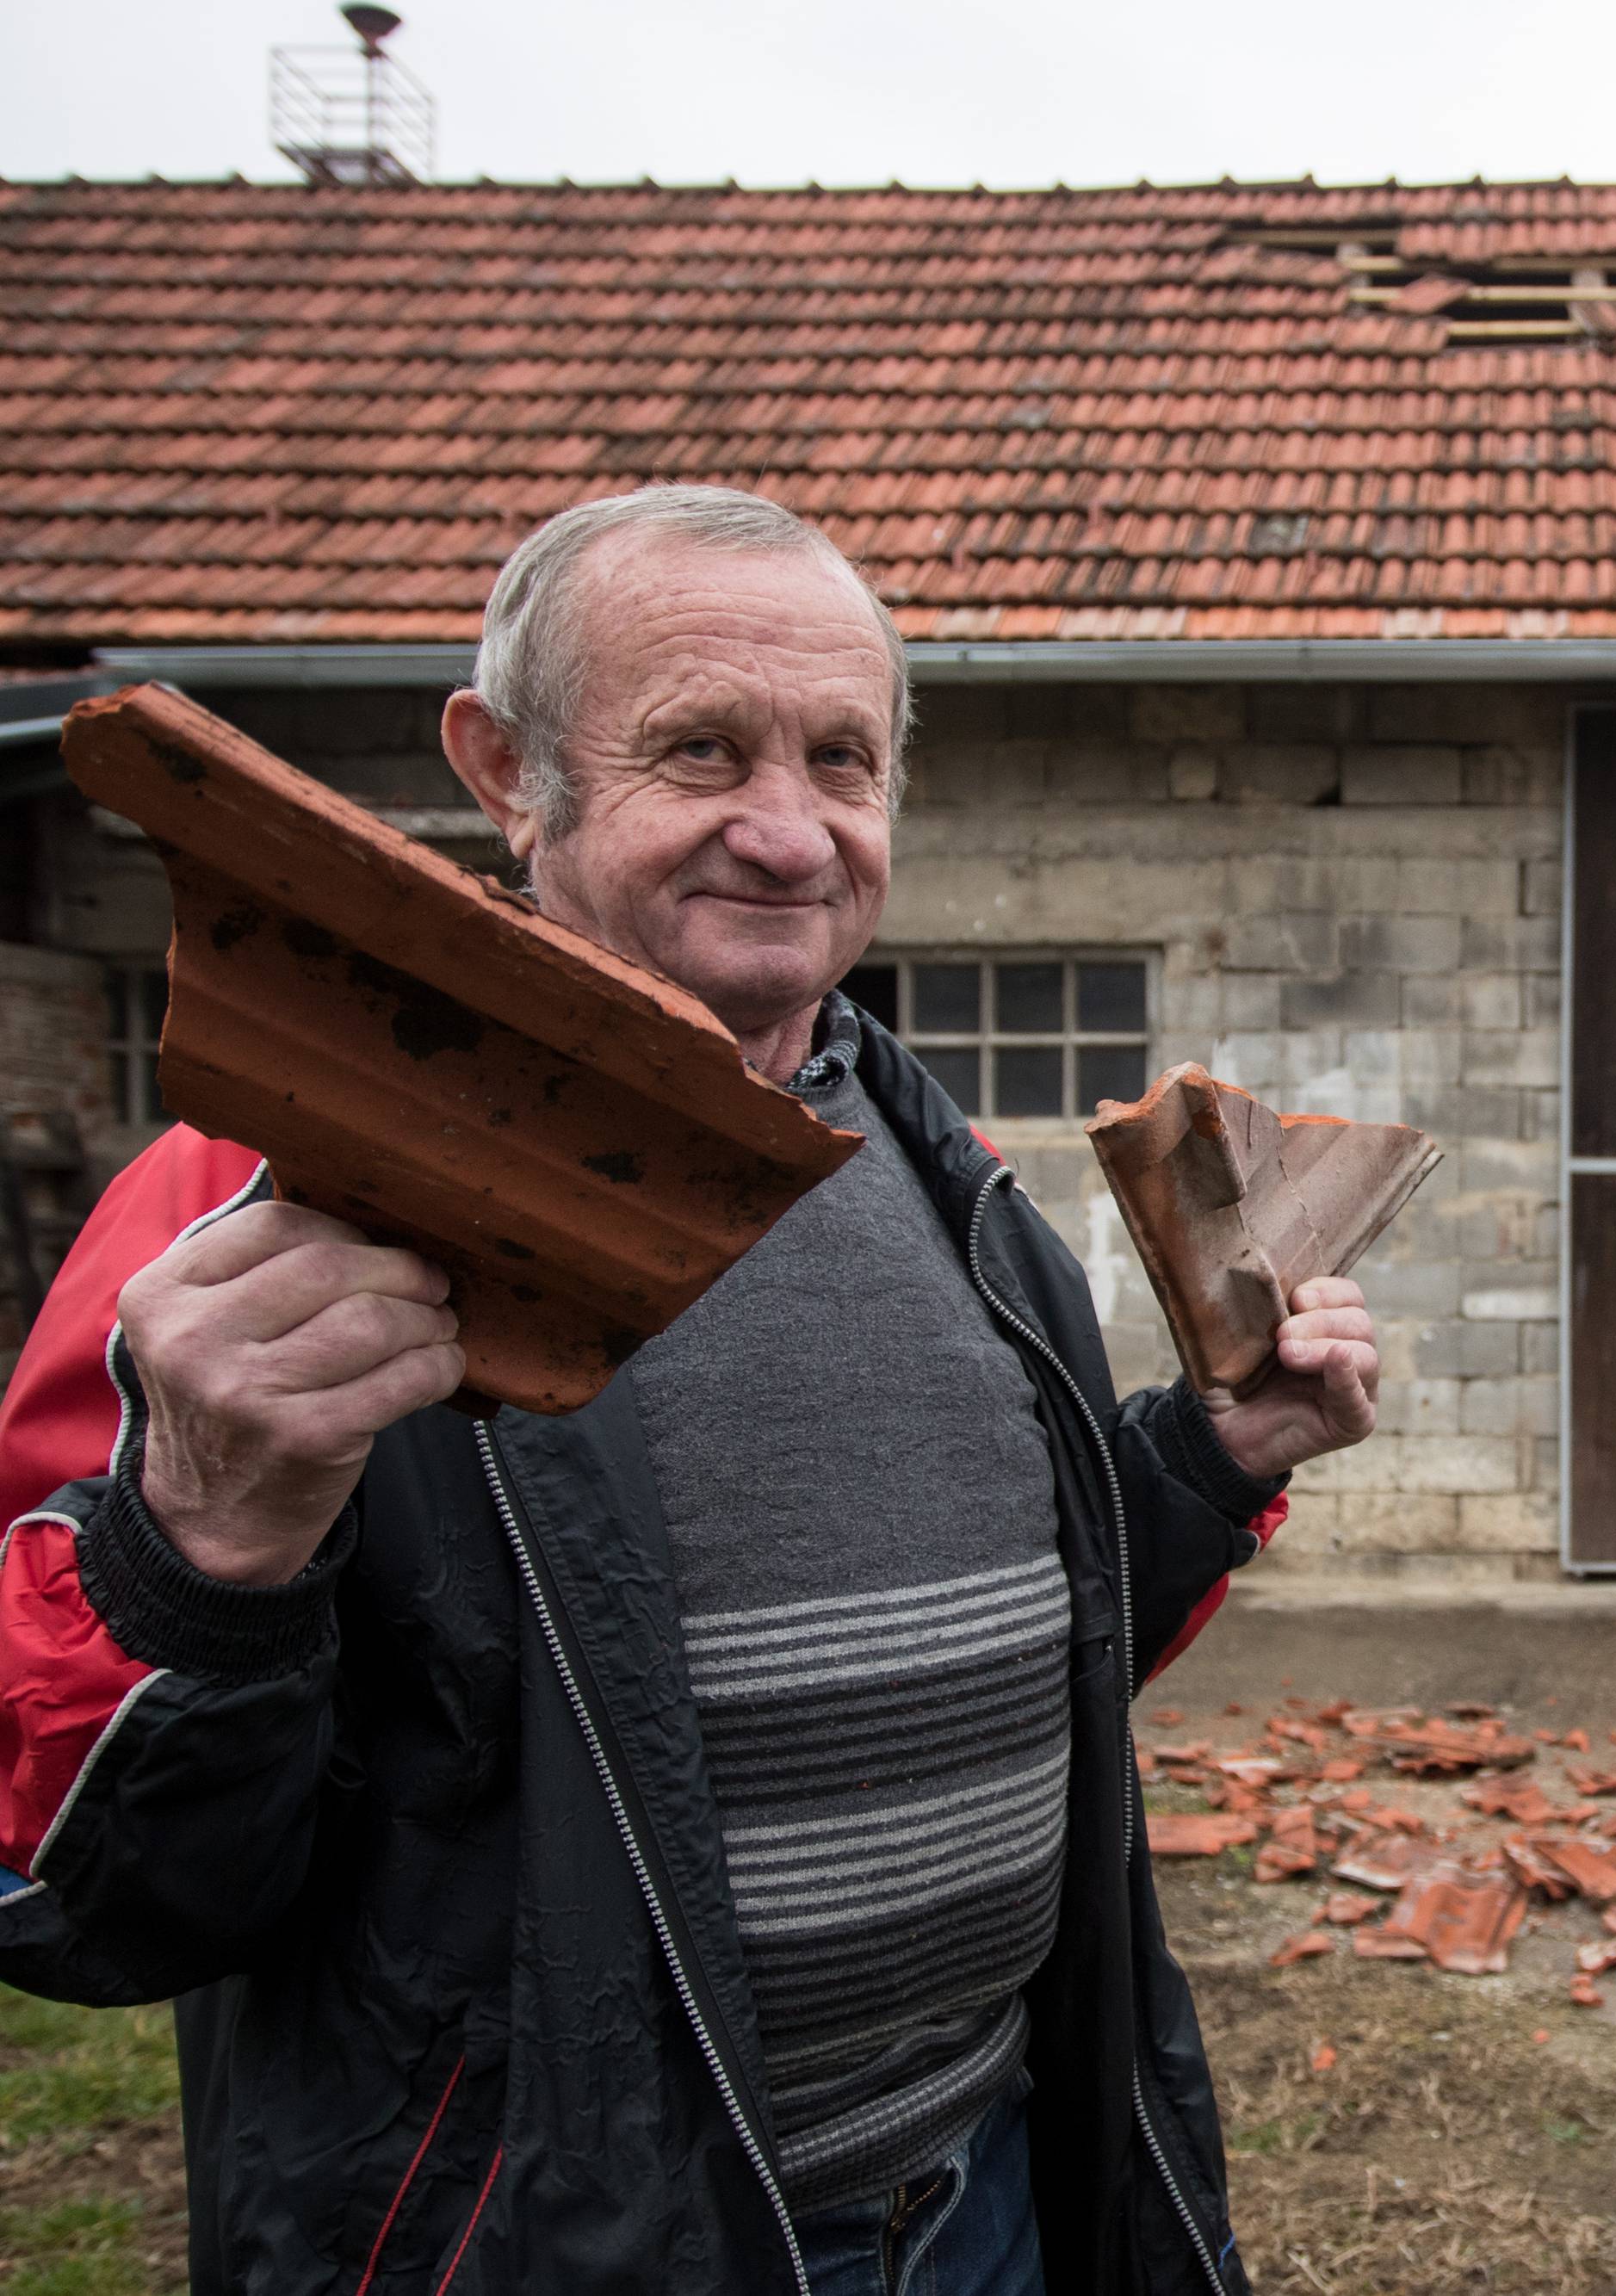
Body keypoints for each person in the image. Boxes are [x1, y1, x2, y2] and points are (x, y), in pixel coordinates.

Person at [0, 486, 1379, 2296]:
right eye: (702, 749)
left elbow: (1018, 1617)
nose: (791, 833)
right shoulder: (259, 1203)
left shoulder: (942, 1171)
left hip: (984, 2193)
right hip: (567, 2245)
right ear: (508, 769)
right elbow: (85, 1892)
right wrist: (209, 1549)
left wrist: (1209, 1452)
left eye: (843, 759)